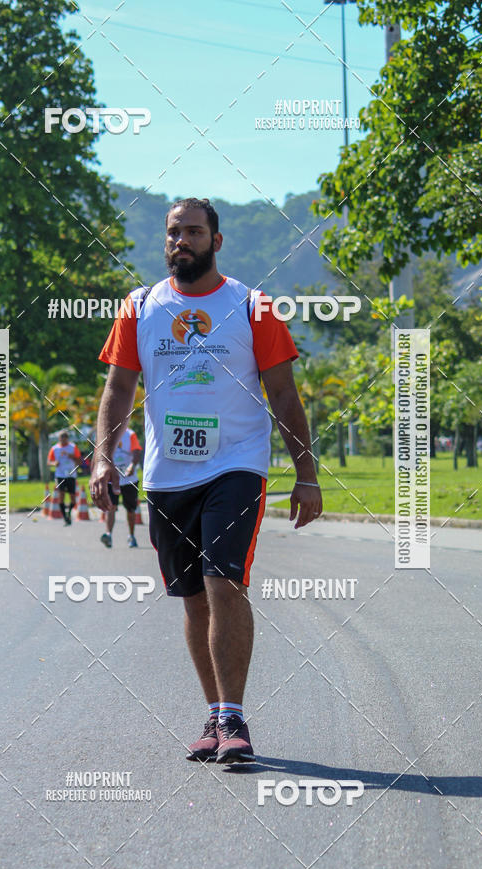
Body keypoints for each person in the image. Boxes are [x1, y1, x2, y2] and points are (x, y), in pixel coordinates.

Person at [90, 197, 322, 765]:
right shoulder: (140, 307)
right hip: (167, 474)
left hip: (234, 466)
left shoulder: (253, 307)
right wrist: (103, 458)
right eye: (173, 233)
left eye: (193, 232)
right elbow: (118, 390)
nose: (181, 242)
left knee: (224, 583)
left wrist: (306, 473)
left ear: (216, 241)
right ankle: (215, 715)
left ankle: (234, 718)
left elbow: (284, 394)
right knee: (192, 599)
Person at [100, 424, 142, 549]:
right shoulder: (107, 435)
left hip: (129, 479)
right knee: (111, 507)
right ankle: (108, 534)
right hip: (112, 479)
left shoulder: (130, 434)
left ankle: (131, 535)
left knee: (130, 509)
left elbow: (136, 452)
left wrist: (132, 466)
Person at [47, 431, 83, 525]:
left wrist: (72, 456)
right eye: (61, 438)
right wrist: (54, 463)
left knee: (72, 498)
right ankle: (65, 517)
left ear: (67, 438)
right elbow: (49, 461)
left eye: (65, 438)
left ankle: (69, 512)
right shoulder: (54, 449)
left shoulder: (72, 447)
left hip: (71, 475)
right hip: (60, 475)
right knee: (61, 496)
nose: (63, 440)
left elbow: (80, 461)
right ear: (59, 439)